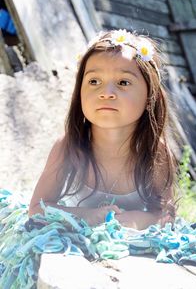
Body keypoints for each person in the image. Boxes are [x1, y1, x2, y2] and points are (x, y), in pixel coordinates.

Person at [28, 29, 178, 230]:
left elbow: (166, 213)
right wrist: (88, 216)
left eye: (123, 82)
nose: (106, 93)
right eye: (94, 81)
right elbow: (37, 209)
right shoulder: (69, 147)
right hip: (72, 246)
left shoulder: (155, 152)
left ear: (150, 96)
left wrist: (143, 219)